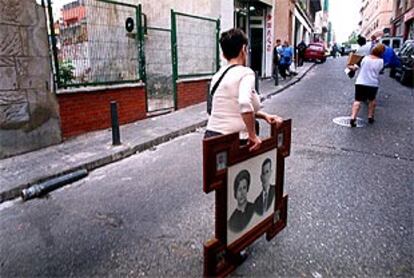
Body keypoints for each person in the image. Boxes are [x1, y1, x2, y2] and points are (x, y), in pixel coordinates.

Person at [204, 28, 283, 151]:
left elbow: (231, 107)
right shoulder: (246, 73)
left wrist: (264, 116)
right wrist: (253, 135)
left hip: (212, 138)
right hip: (235, 140)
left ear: (224, 55)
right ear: (244, 49)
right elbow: (245, 104)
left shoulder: (217, 76)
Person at [348, 43, 386, 127]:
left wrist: (349, 66)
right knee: (372, 100)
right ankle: (370, 117)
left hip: (360, 82)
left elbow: (354, 68)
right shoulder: (381, 61)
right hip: (373, 84)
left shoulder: (364, 58)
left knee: (357, 100)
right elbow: (380, 71)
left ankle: (353, 117)